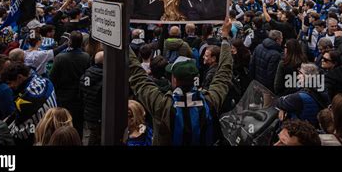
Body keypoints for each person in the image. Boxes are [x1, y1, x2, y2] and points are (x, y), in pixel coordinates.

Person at [128, 17, 233, 145]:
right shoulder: (210, 102)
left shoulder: (162, 106)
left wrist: (121, 39)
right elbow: (224, 73)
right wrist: (225, 38)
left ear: (174, 79)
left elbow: (138, 77)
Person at [0, 63, 57, 146]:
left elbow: (20, 133)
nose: (9, 86)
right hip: (54, 126)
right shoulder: (44, 80)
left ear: (19, 77)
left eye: (10, 83)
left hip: (41, 136)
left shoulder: (24, 99)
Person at [50, 31, 90, 138]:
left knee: (62, 123)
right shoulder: (86, 57)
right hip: (79, 97)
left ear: (70, 42)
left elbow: (52, 78)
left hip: (63, 97)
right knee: (77, 125)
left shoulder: (60, 58)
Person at [80, 51, 104, 146]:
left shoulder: (86, 74)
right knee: (95, 137)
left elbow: (81, 93)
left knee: (93, 135)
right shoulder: (106, 76)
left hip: (88, 112)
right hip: (99, 114)